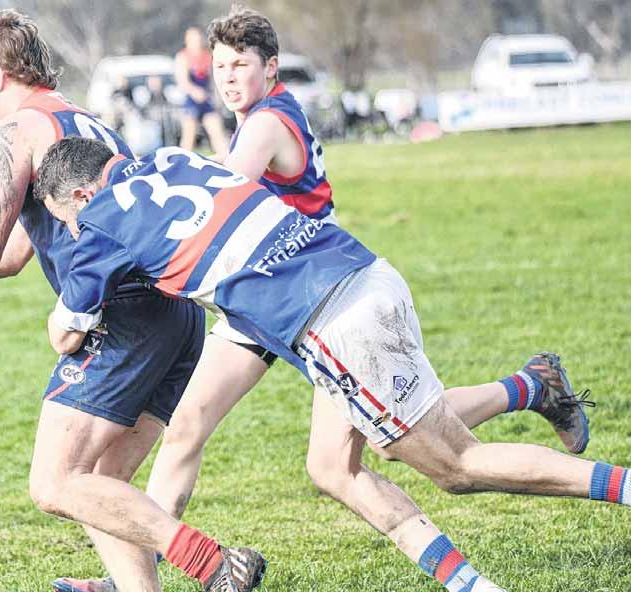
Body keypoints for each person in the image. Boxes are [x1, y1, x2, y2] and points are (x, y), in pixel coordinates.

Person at [55, 7, 593, 591]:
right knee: (191, 426)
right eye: (221, 66)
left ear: (271, 67)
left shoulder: (265, 123)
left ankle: (530, 388)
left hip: (303, 289)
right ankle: (138, 570)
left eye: (241, 65)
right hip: (273, 294)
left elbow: (221, 195)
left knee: (396, 440)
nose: (228, 77)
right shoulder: (259, 116)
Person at [0, 10, 265, 592]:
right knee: (102, 483)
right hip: (174, 312)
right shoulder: (77, 120)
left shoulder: (15, 132)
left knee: (55, 482)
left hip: (121, 317)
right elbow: (12, 252)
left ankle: (214, 564)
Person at [174, 27, 229, 159]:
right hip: (192, 100)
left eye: (198, 38)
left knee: (217, 133)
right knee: (188, 137)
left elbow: (213, 80)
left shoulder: (207, 55)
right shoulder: (183, 56)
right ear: (187, 40)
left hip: (206, 99)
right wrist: (194, 91)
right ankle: (182, 164)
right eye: (193, 39)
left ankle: (227, 161)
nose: (196, 41)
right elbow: (182, 82)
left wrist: (217, 98)